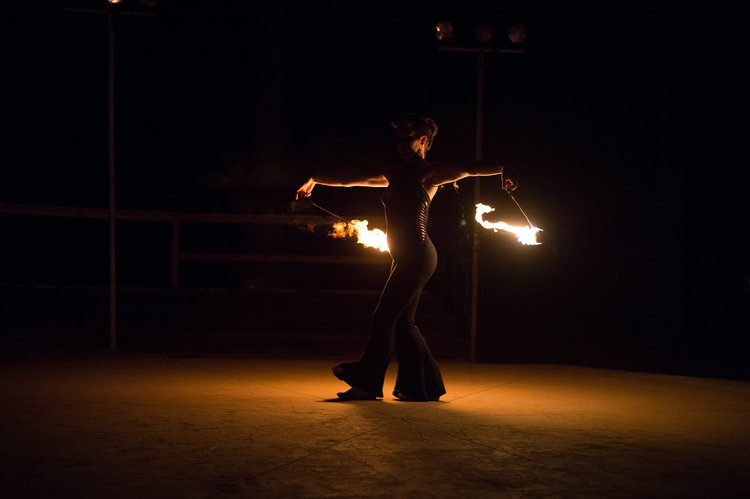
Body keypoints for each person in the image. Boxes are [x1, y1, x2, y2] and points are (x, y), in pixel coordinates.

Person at [295, 113, 503, 401]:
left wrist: (504, 168)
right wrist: (315, 179)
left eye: (408, 139)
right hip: (403, 257)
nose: (402, 145)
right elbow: (349, 179)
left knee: (383, 316)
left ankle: (367, 384)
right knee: (405, 323)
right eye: (398, 139)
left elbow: (468, 168)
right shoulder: (392, 172)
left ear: (423, 140)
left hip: (418, 255)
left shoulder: (429, 173)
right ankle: (422, 387)